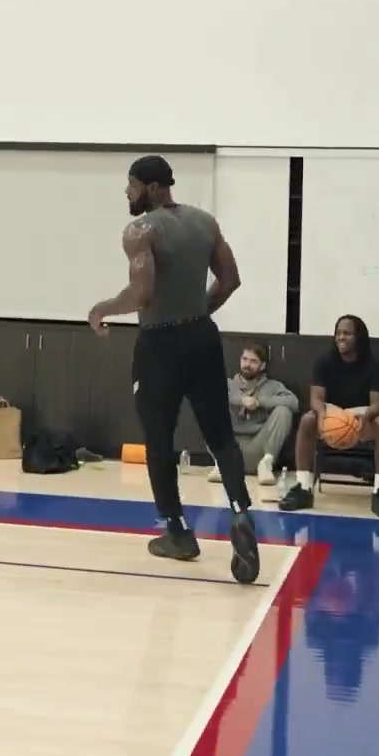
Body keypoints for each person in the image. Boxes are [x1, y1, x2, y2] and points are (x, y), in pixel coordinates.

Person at [88, 154, 260, 585]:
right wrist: (198, 312)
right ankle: (241, 512)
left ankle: (178, 533)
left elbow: (142, 294)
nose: (127, 193)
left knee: (159, 439)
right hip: (202, 337)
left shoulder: (140, 231)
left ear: (149, 187)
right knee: (220, 434)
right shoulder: (205, 222)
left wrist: (103, 308)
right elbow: (231, 279)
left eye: (131, 186)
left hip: (159, 345)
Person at [279, 314, 379, 520]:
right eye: (338, 333)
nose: (341, 337)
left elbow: (377, 404)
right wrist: (322, 415)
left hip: (361, 413)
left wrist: (366, 416)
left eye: (347, 333)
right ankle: (304, 488)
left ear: (359, 337)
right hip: (332, 412)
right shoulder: (324, 362)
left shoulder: (373, 366)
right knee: (307, 420)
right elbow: (316, 398)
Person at [208, 341, 298, 485]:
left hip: (259, 447)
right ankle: (221, 465)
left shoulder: (273, 386)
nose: (247, 364)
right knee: (210, 408)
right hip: (230, 446)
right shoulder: (228, 384)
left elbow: (293, 402)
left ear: (262, 366)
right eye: (244, 359)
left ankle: (266, 465)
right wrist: (240, 400)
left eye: (253, 361)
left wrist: (260, 402)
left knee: (284, 411)